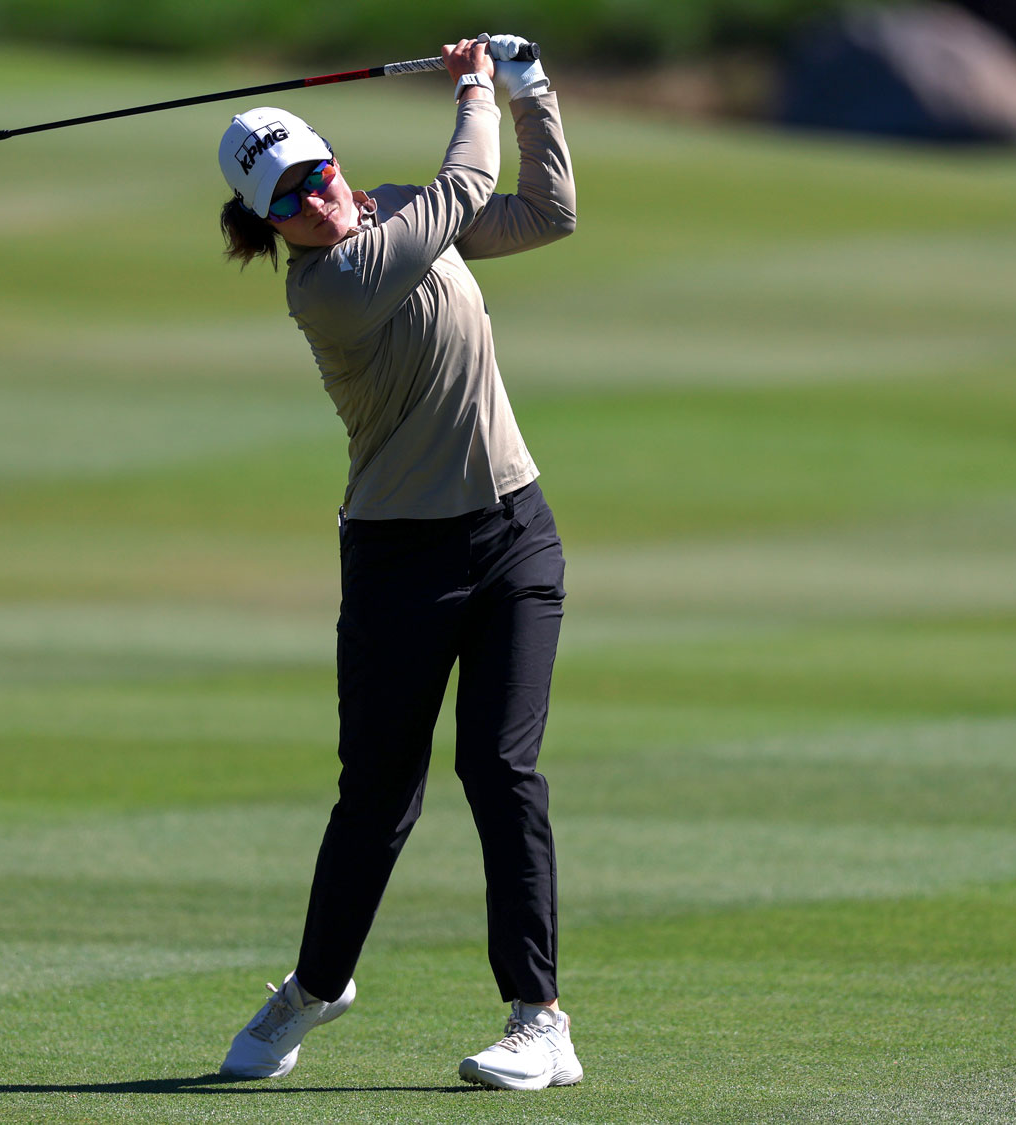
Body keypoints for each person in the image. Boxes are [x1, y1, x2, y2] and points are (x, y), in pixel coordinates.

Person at [212, 36, 581, 1091]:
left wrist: (529, 92)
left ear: (333, 163)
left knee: (498, 770)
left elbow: (544, 213)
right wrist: (472, 85)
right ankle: (316, 988)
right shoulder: (328, 287)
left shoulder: (383, 211)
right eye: (288, 197)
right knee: (375, 794)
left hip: (515, 533)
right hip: (397, 560)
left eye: (316, 173)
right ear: (269, 225)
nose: (315, 200)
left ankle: (539, 1020)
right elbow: (466, 182)